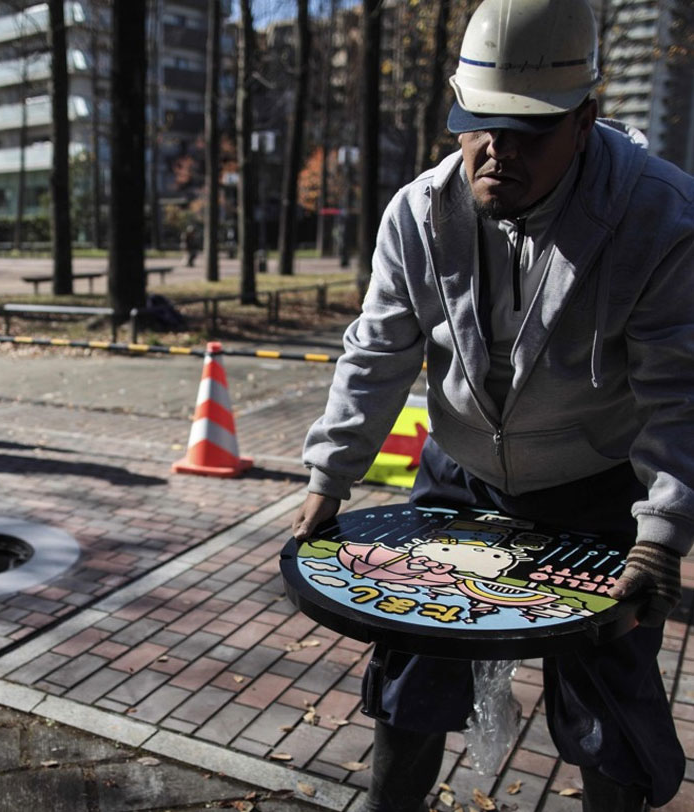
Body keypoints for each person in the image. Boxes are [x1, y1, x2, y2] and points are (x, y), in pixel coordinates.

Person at [291, 1, 692, 810]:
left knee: (609, 703)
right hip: (460, 472)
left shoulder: (658, 218)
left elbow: (677, 394)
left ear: (583, 119)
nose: (496, 152)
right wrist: (326, 478)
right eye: (478, 125)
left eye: (528, 132)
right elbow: (376, 353)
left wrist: (662, 534)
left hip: (597, 482)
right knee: (409, 676)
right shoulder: (419, 212)